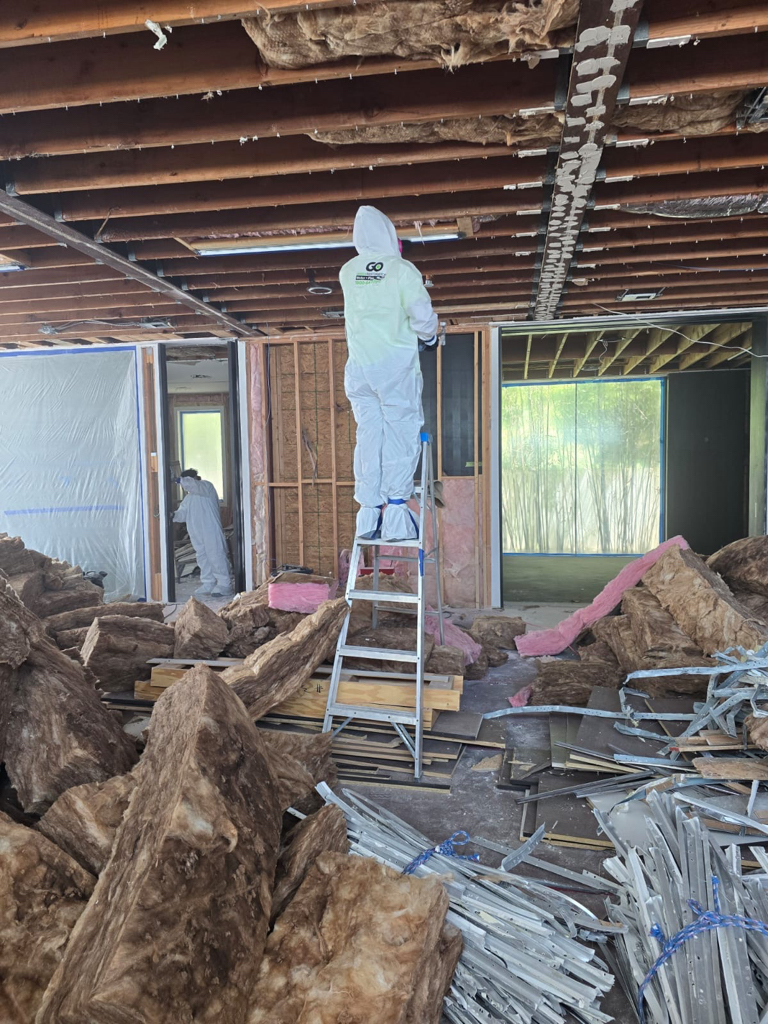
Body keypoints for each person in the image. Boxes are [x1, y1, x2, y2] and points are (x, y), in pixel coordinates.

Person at [340, 206, 438, 542]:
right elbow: (420, 314)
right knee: (401, 431)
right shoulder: (401, 269)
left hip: (360, 370)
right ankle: (396, 513)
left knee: (369, 436)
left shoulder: (348, 271)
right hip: (393, 367)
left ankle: (368, 515)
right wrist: (431, 337)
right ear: (389, 233)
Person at [172, 468, 234, 597]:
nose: (184, 485)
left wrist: (176, 479)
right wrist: (172, 515)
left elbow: (193, 485)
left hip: (211, 530)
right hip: (196, 532)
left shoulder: (206, 487)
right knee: (202, 557)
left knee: (216, 556)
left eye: (185, 481)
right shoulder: (188, 498)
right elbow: (182, 515)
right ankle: (208, 582)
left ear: (194, 479)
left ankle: (224, 584)